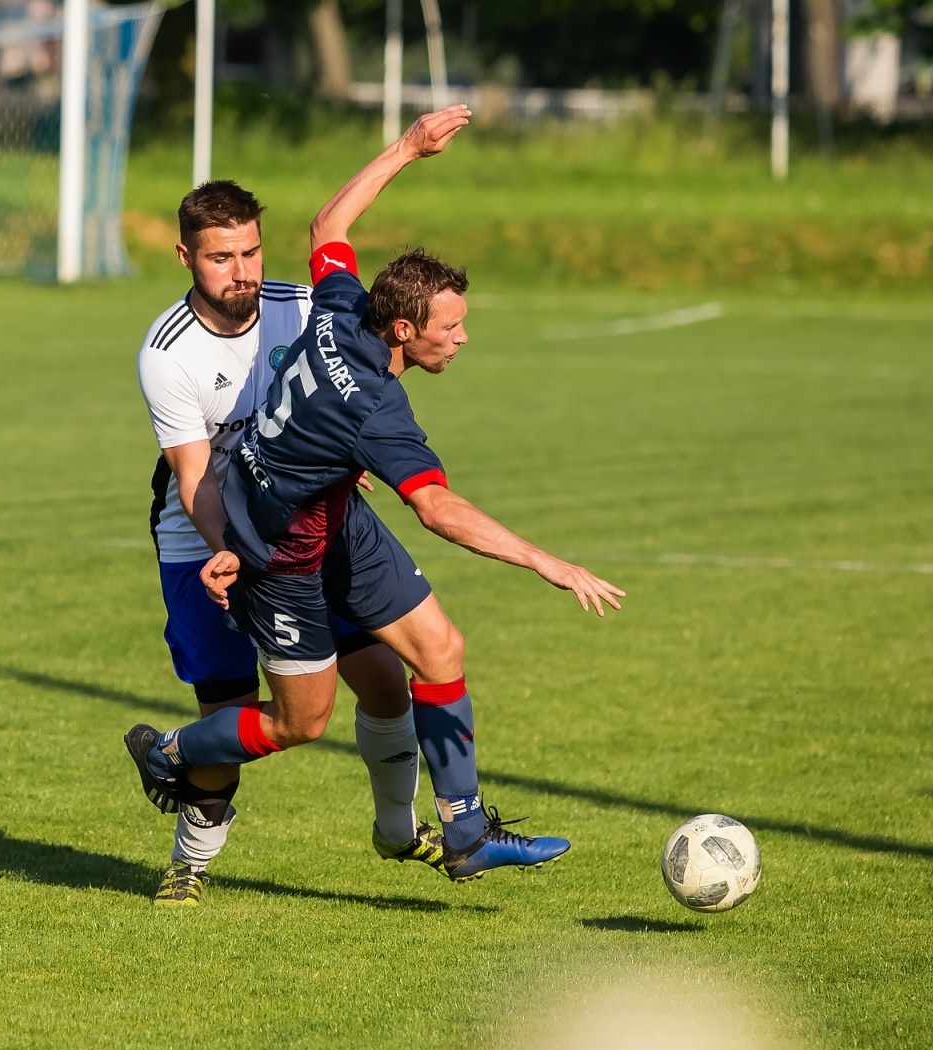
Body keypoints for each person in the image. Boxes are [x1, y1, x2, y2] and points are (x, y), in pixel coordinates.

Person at [126, 106, 626, 883]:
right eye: (449, 328)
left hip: (333, 517)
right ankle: (174, 760)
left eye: (252, 250)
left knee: (434, 654)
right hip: (269, 542)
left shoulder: (331, 305)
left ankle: (460, 834)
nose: (461, 339)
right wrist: (547, 562)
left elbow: (331, 219)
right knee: (299, 721)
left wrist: (409, 148)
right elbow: (437, 509)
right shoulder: (370, 407)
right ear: (400, 330)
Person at [133, 180, 450, 906]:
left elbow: (347, 390)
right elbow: (195, 481)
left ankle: (399, 832)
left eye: (250, 250)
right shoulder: (168, 353)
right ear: (186, 257)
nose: (241, 269)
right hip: (203, 536)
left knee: (381, 675)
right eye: (220, 257)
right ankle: (190, 862)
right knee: (231, 720)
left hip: (304, 527)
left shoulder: (297, 306)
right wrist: (228, 548)